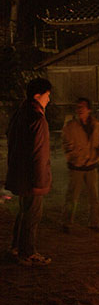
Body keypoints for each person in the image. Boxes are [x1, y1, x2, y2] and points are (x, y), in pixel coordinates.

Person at [5, 78, 52, 266]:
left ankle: (16, 247)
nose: (49, 99)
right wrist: (40, 182)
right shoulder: (37, 118)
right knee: (32, 214)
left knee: (23, 212)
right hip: (32, 177)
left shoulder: (20, 113)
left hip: (20, 174)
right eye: (47, 95)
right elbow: (38, 153)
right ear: (37, 96)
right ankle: (28, 253)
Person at [62, 97, 99, 233]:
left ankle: (94, 222)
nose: (80, 109)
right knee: (72, 197)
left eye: (82, 107)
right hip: (76, 166)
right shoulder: (70, 127)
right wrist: (73, 156)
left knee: (94, 197)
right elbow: (66, 144)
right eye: (78, 107)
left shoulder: (97, 126)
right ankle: (67, 222)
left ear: (89, 109)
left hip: (91, 166)